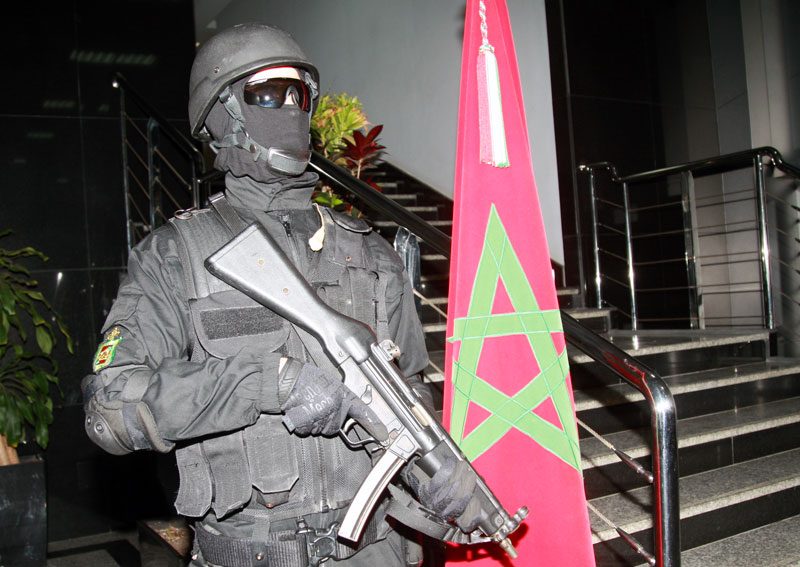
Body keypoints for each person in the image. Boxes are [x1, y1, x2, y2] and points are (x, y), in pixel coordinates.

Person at [82, 22, 477, 567]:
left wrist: (434, 469)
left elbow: (408, 384)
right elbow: (110, 410)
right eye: (269, 93)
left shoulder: (371, 252)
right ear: (222, 114)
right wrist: (270, 383)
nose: (290, 108)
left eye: (300, 95)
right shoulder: (175, 255)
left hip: (377, 552)